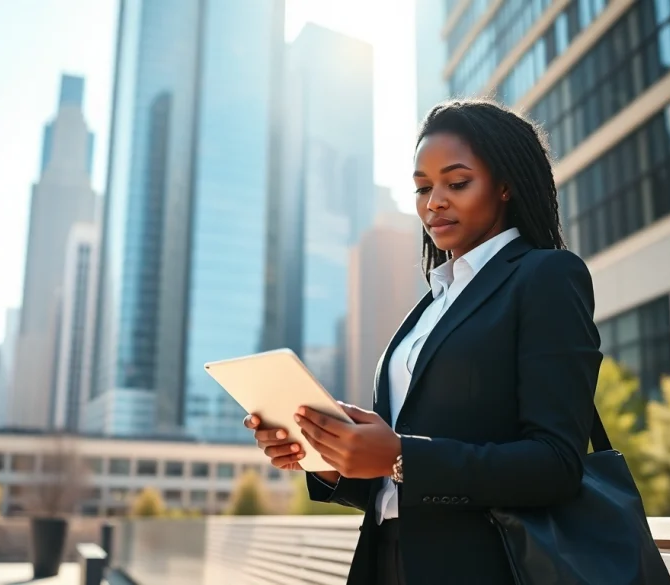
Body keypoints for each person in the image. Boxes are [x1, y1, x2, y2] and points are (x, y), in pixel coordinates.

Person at [244, 99, 603, 585]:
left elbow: (556, 464)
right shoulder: (433, 303)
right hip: (387, 560)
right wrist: (332, 458)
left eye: (457, 183)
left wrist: (401, 456)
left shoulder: (546, 276)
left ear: (505, 185)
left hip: (486, 568)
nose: (433, 202)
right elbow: (394, 489)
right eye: (422, 187)